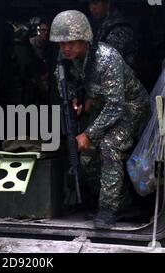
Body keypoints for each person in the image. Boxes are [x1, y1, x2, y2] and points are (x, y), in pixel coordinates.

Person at [50, 10, 150, 229]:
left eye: (71, 43)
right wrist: (74, 98)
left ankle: (108, 210)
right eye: (61, 44)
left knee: (109, 146)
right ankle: (123, 204)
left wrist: (88, 133)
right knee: (86, 157)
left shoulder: (107, 59)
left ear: (85, 39)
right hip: (102, 105)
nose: (65, 48)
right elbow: (66, 86)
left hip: (130, 107)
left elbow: (116, 105)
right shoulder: (66, 60)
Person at [88, 0, 138, 69]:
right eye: (90, 4)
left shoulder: (119, 28)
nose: (91, 8)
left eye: (95, 3)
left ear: (107, 4)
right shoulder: (103, 24)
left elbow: (110, 63)